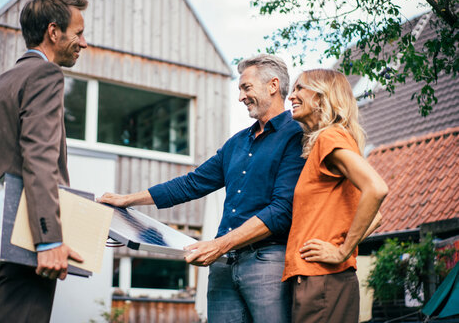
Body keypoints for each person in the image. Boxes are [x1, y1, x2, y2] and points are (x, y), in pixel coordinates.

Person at [99, 54, 306, 322]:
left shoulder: (297, 136)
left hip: (267, 262)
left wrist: (219, 245)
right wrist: (128, 200)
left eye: (246, 87)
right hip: (222, 265)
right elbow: (191, 183)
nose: (241, 97)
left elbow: (281, 210)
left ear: (273, 85)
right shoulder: (236, 143)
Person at [0, 0, 88, 323]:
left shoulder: (2, 81)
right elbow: (38, 158)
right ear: (54, 32)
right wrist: (48, 239)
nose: (84, 43)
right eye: (79, 33)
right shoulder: (46, 75)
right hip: (19, 238)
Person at [283, 69, 388, 323]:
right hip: (321, 280)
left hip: (322, 281)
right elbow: (376, 218)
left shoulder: (330, 137)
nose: (291, 96)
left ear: (321, 97)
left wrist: (341, 251)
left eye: (300, 88)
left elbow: (376, 188)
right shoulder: (329, 141)